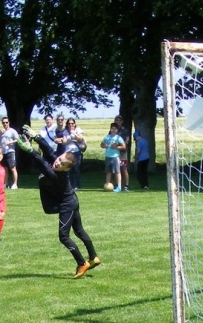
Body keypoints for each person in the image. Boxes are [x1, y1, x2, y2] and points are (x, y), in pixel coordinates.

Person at [19, 125, 100, 279]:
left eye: (62, 164)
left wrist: (30, 150)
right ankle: (93, 256)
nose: (58, 163)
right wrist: (36, 137)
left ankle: (82, 263)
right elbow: (49, 152)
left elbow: (43, 165)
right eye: (59, 160)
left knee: (64, 236)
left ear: (67, 169)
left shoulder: (57, 175)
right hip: (73, 201)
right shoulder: (57, 162)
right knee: (79, 231)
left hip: (68, 205)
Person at [0, 116, 19, 189]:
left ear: (9, 123)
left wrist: (10, 142)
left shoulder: (12, 131)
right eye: (3, 123)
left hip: (10, 151)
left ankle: (15, 184)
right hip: (3, 152)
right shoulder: (1, 131)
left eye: (6, 122)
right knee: (5, 169)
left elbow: (18, 140)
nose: (5, 124)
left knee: (13, 168)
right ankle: (5, 184)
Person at [101, 123, 126, 193]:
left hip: (115, 156)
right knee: (108, 172)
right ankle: (107, 185)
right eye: (112, 129)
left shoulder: (118, 138)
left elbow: (124, 146)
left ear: (117, 130)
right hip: (108, 156)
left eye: (115, 129)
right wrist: (104, 145)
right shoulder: (107, 137)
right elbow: (101, 144)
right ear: (110, 129)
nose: (113, 130)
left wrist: (117, 147)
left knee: (117, 172)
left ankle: (119, 187)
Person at [65, 117, 85, 190]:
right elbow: (64, 141)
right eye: (69, 123)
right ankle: (69, 185)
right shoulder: (65, 131)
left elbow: (80, 138)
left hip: (76, 151)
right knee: (69, 169)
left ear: (75, 124)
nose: (71, 125)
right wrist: (70, 138)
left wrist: (74, 133)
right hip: (68, 152)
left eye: (72, 123)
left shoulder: (78, 130)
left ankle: (77, 185)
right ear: (67, 124)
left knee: (76, 169)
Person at [114, 115, 132, 191]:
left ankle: (126, 185)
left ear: (122, 121)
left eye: (120, 120)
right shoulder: (113, 129)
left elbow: (126, 141)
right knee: (116, 169)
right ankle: (118, 185)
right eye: (117, 120)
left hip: (123, 153)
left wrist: (118, 145)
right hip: (114, 153)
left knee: (124, 169)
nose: (118, 122)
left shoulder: (125, 130)